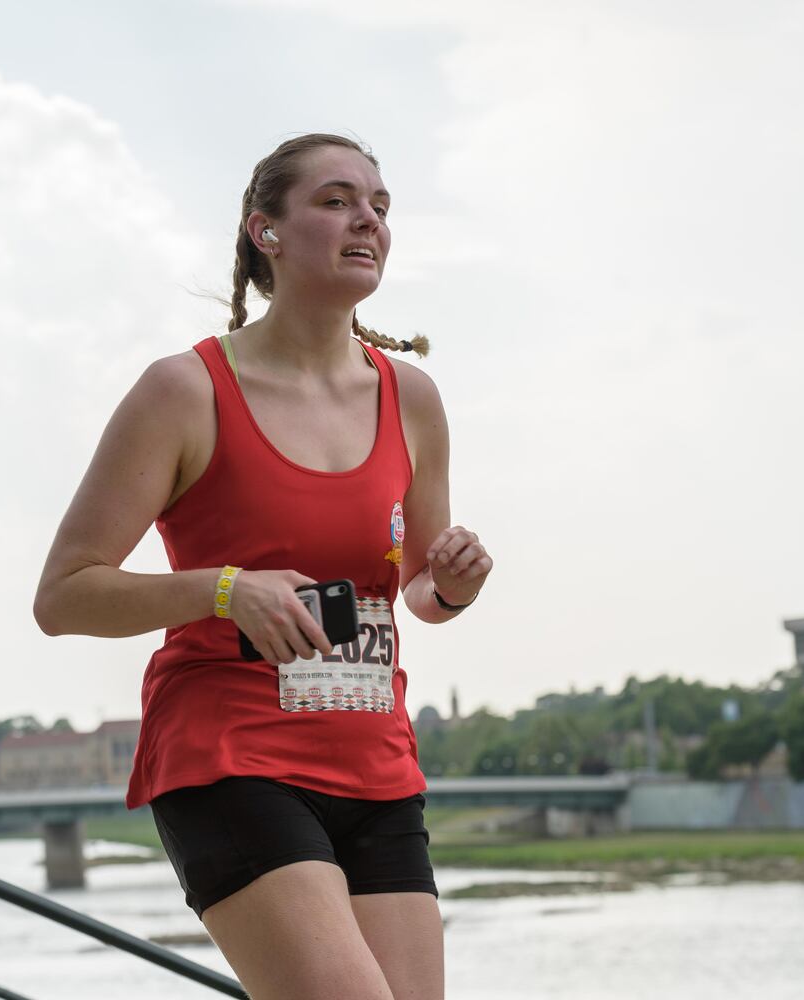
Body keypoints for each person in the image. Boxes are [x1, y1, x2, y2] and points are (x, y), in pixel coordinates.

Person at [33, 133, 493, 1000]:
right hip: (231, 758)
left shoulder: (412, 398)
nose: (368, 219)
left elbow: (418, 591)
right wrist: (223, 589)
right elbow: (63, 595)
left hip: (378, 761)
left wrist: (452, 585)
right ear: (265, 232)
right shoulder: (185, 391)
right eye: (336, 200)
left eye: (381, 206)